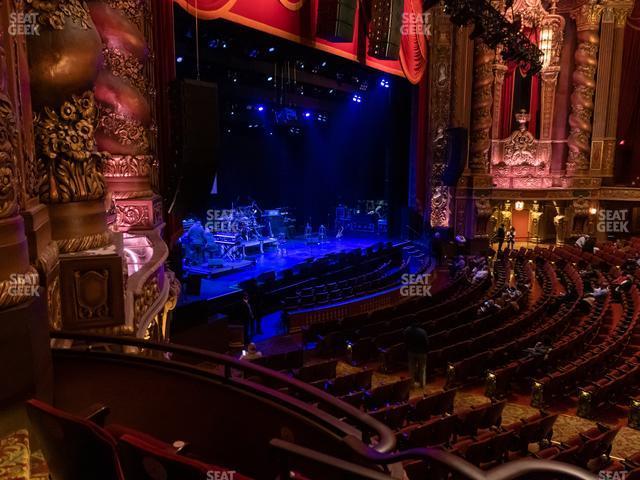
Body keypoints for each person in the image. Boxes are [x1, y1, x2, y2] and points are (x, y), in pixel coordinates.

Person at [404, 322, 429, 388]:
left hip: (411, 352)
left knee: (412, 368)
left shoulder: (407, 330)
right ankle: (422, 384)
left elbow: (405, 341)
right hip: (422, 353)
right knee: (422, 369)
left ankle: (412, 384)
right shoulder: (423, 332)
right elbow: (426, 343)